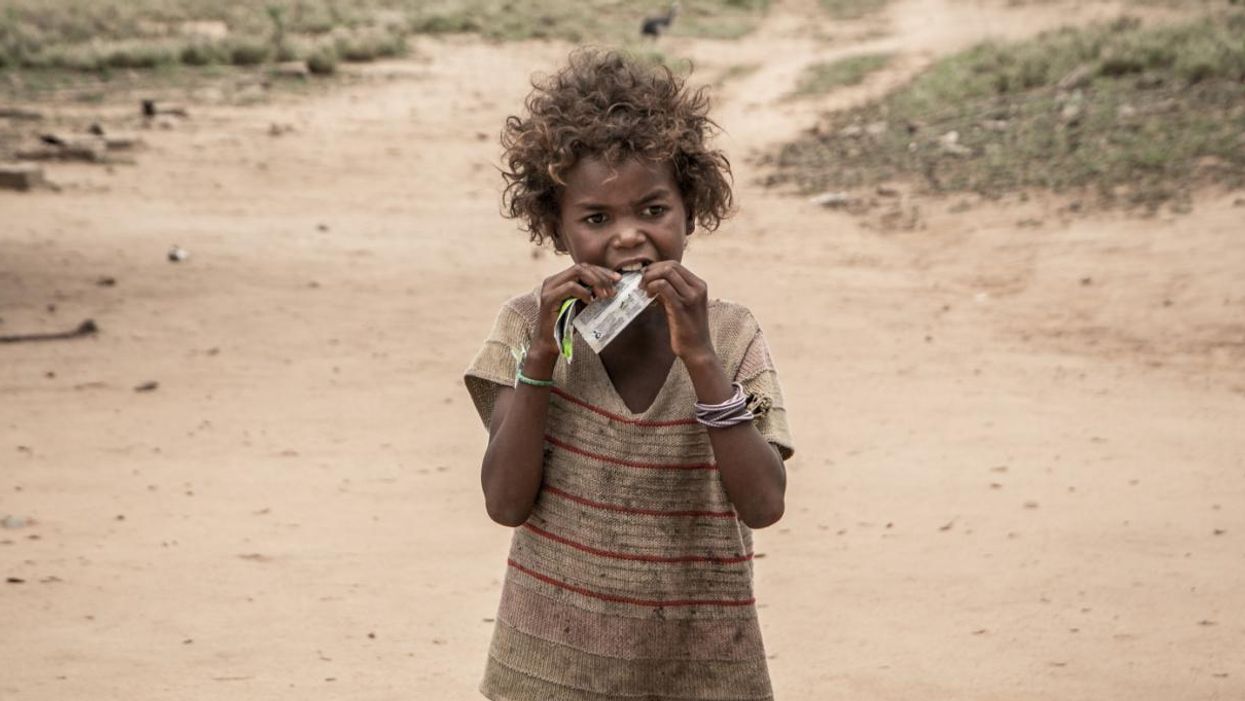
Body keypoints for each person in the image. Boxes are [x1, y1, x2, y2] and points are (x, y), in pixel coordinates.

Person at [464, 49, 794, 701]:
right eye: (596, 219)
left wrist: (701, 359)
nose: (627, 238)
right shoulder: (527, 327)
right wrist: (541, 356)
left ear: (689, 209)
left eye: (652, 210)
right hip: (550, 670)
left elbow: (764, 504)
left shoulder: (730, 335)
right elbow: (505, 502)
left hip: (700, 666)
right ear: (555, 227)